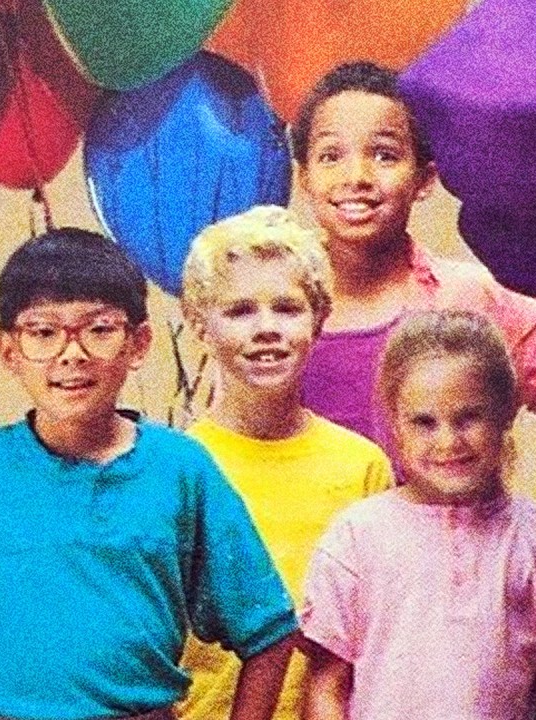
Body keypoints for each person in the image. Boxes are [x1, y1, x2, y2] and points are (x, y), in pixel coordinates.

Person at [0, 229, 297, 720]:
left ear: (138, 343)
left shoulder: (182, 469)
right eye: (43, 332)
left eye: (99, 329)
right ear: (8, 351)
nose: (71, 353)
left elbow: (269, 628)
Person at [290, 60, 536, 452]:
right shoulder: (277, 307)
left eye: (384, 155)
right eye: (330, 156)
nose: (356, 177)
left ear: (424, 179)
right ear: (304, 178)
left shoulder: (468, 298)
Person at [176, 206, 393, 720]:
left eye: (287, 308)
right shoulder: (178, 468)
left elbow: (379, 629)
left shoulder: (362, 466)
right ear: (200, 326)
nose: (266, 328)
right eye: (240, 311)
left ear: (319, 321)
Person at [298, 311, 536, 720]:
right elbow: (326, 688)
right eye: (424, 422)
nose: (448, 441)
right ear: (395, 424)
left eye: (468, 417)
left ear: (506, 412)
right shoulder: (357, 537)